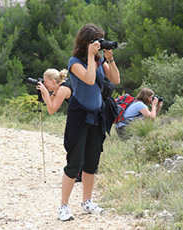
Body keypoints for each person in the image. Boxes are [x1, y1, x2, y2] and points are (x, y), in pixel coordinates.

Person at [58, 23, 120, 221]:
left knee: (92, 162)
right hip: (79, 117)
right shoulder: (74, 61)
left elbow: (116, 80)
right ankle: (63, 206)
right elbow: (89, 79)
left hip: (97, 115)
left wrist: (110, 60)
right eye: (96, 41)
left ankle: (87, 202)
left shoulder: (100, 61)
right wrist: (91, 56)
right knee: (74, 162)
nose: (99, 45)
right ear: (86, 42)